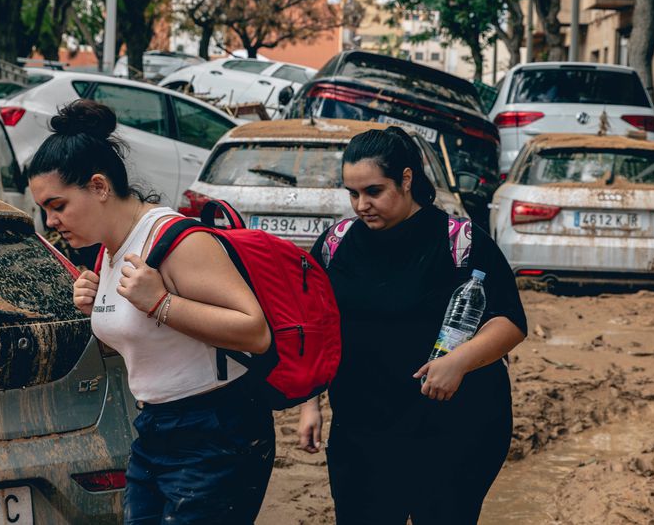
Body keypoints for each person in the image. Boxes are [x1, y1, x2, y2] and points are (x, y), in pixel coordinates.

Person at [27, 99, 274, 524]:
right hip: (154, 428)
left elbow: (255, 332)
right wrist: (97, 305)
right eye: (45, 209)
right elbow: (149, 342)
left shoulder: (176, 238)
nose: (50, 221)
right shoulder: (108, 251)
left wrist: (161, 303)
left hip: (216, 428)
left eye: (58, 205)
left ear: (99, 187)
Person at [299, 127, 527, 524]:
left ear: (406, 179)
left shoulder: (461, 241)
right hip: (362, 430)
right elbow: (314, 327)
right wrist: (310, 404)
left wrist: (459, 362)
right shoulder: (336, 245)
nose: (361, 205)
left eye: (373, 191)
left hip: (453, 429)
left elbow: (510, 322)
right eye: (352, 194)